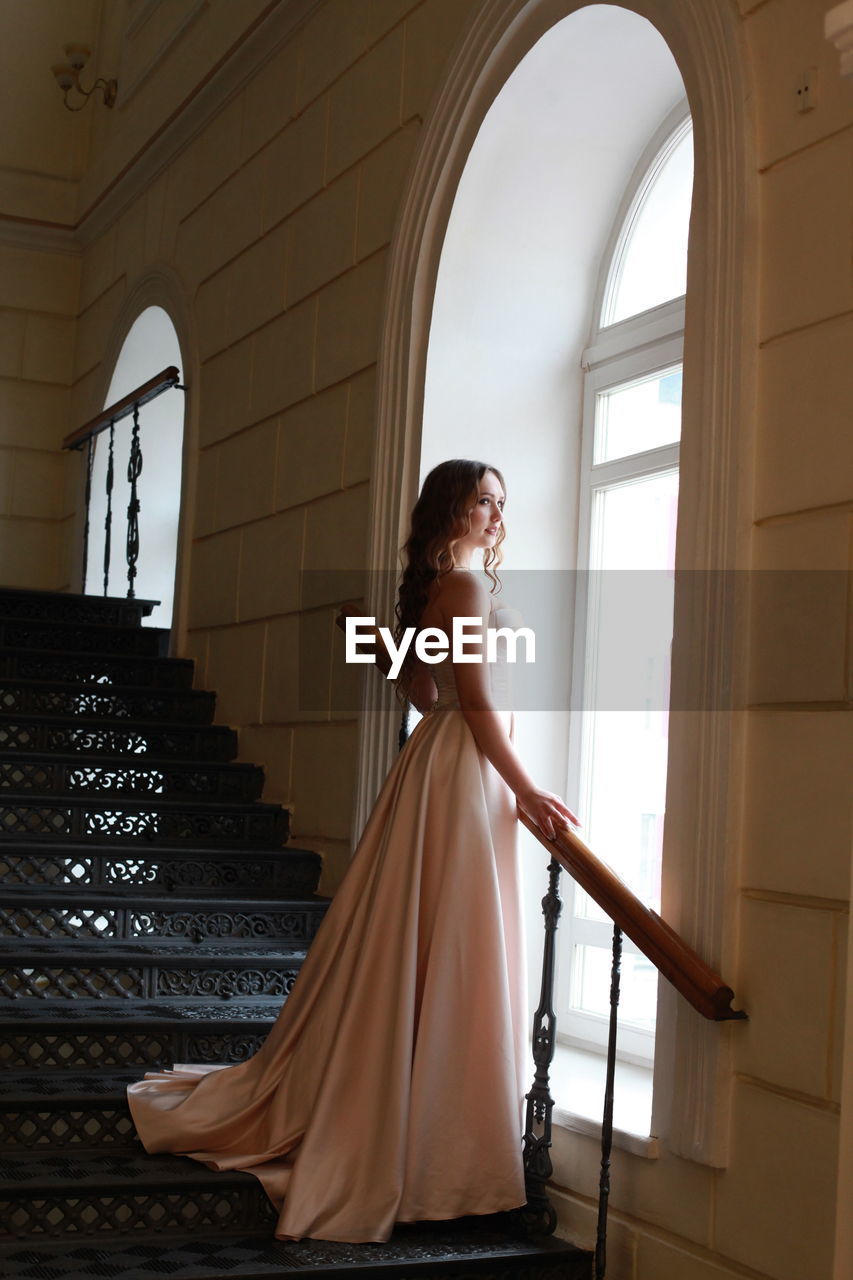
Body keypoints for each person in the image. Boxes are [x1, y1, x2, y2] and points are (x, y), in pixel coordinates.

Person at [127, 458, 578, 1243]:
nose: (497, 516)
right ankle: (435, 1151)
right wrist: (530, 791)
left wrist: (370, 641)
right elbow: (469, 703)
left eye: (501, 503)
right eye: (482, 502)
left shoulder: (448, 585)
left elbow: (423, 696)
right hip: (462, 773)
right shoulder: (465, 587)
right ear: (450, 509)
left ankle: (420, 1129)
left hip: (438, 772)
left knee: (428, 942)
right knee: (454, 946)